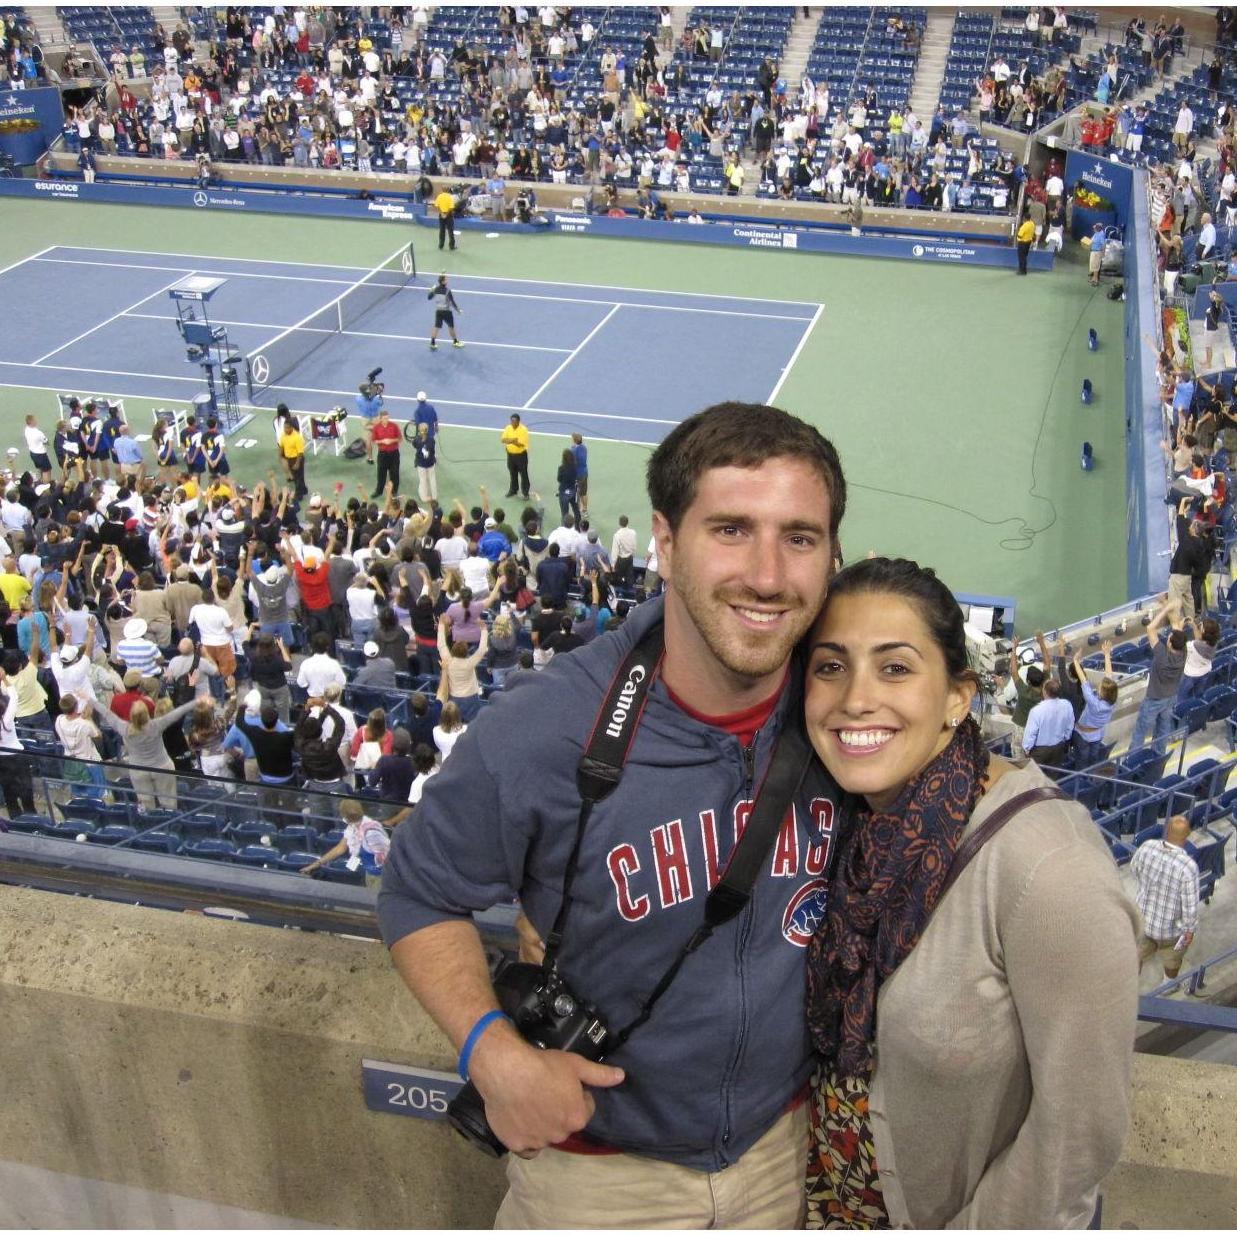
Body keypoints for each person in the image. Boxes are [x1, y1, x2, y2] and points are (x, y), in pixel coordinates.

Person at [378, 401, 848, 1227]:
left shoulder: (847, 715)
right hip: (600, 1179)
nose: (769, 575)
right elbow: (419, 894)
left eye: (799, 538)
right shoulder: (544, 727)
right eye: (731, 530)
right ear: (666, 543)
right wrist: (490, 1053)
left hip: (791, 1154)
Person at [802, 556, 1138, 1228]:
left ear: (957, 696)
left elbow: (1078, 1133)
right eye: (829, 666)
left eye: (894, 667)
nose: (854, 697)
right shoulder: (840, 819)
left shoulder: (1048, 867)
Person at [1131, 814, 1200, 981]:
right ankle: (1168, 985)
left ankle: (1131, 984)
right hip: (1170, 931)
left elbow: (1134, 870)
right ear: (1186, 836)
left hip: (1143, 921)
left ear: (1166, 830)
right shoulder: (1188, 867)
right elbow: (1190, 907)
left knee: (1134, 956)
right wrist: (1189, 931)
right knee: (1172, 961)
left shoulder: (1147, 847)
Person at [1128, 596, 1187, 749]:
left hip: (1154, 699)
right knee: (1162, 730)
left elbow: (1150, 628)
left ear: (1169, 642)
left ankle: (1130, 763)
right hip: (1170, 697)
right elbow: (1176, 625)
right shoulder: (1183, 652)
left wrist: (1166, 609)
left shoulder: (1162, 654)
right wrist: (1169, 604)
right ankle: (1158, 756)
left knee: (1140, 731)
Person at [301, 797, 390, 888]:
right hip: (370, 873)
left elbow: (386, 857)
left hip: (382, 877)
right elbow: (340, 848)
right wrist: (316, 864)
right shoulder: (353, 827)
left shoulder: (372, 832)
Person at [368, 406, 401, 497]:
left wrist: (391, 441)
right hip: (382, 454)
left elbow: (399, 438)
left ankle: (394, 491)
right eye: (385, 418)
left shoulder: (394, 426)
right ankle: (379, 491)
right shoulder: (376, 428)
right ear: (380, 418)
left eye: (387, 418)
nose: (387, 420)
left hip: (394, 454)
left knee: (394, 473)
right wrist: (383, 441)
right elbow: (373, 440)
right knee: (381, 473)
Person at [428, 272, 464, 350]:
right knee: (451, 327)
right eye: (446, 279)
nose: (447, 280)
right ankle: (455, 342)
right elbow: (452, 302)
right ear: (443, 282)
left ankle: (432, 343)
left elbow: (429, 297)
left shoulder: (435, 289)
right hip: (446, 312)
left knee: (436, 327)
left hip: (438, 311)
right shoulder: (447, 291)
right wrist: (458, 310)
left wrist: (431, 291)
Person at [500, 413, 530, 499]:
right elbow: (503, 439)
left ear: (518, 421)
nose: (513, 423)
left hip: (521, 456)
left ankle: (525, 493)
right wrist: (513, 440)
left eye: (514, 421)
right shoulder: (508, 428)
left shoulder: (523, 430)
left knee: (524, 474)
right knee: (512, 473)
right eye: (512, 421)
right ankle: (513, 490)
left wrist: (509, 441)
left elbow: (520, 444)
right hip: (510, 455)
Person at [434, 184, 459, 250]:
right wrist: (446, 214)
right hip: (449, 215)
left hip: (441, 215)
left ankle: (441, 245)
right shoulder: (450, 197)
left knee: (442, 231)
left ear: (442, 190)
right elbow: (451, 208)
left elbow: (437, 206)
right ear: (448, 190)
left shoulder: (439, 196)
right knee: (450, 231)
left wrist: (441, 213)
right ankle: (451, 246)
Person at [1015, 209, 1035, 275]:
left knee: (1021, 257)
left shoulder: (1024, 226)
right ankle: (1024, 270)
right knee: (1025, 257)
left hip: (1022, 243)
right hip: (1028, 242)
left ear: (1024, 218)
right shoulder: (1032, 224)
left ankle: (1021, 271)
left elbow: (1019, 235)